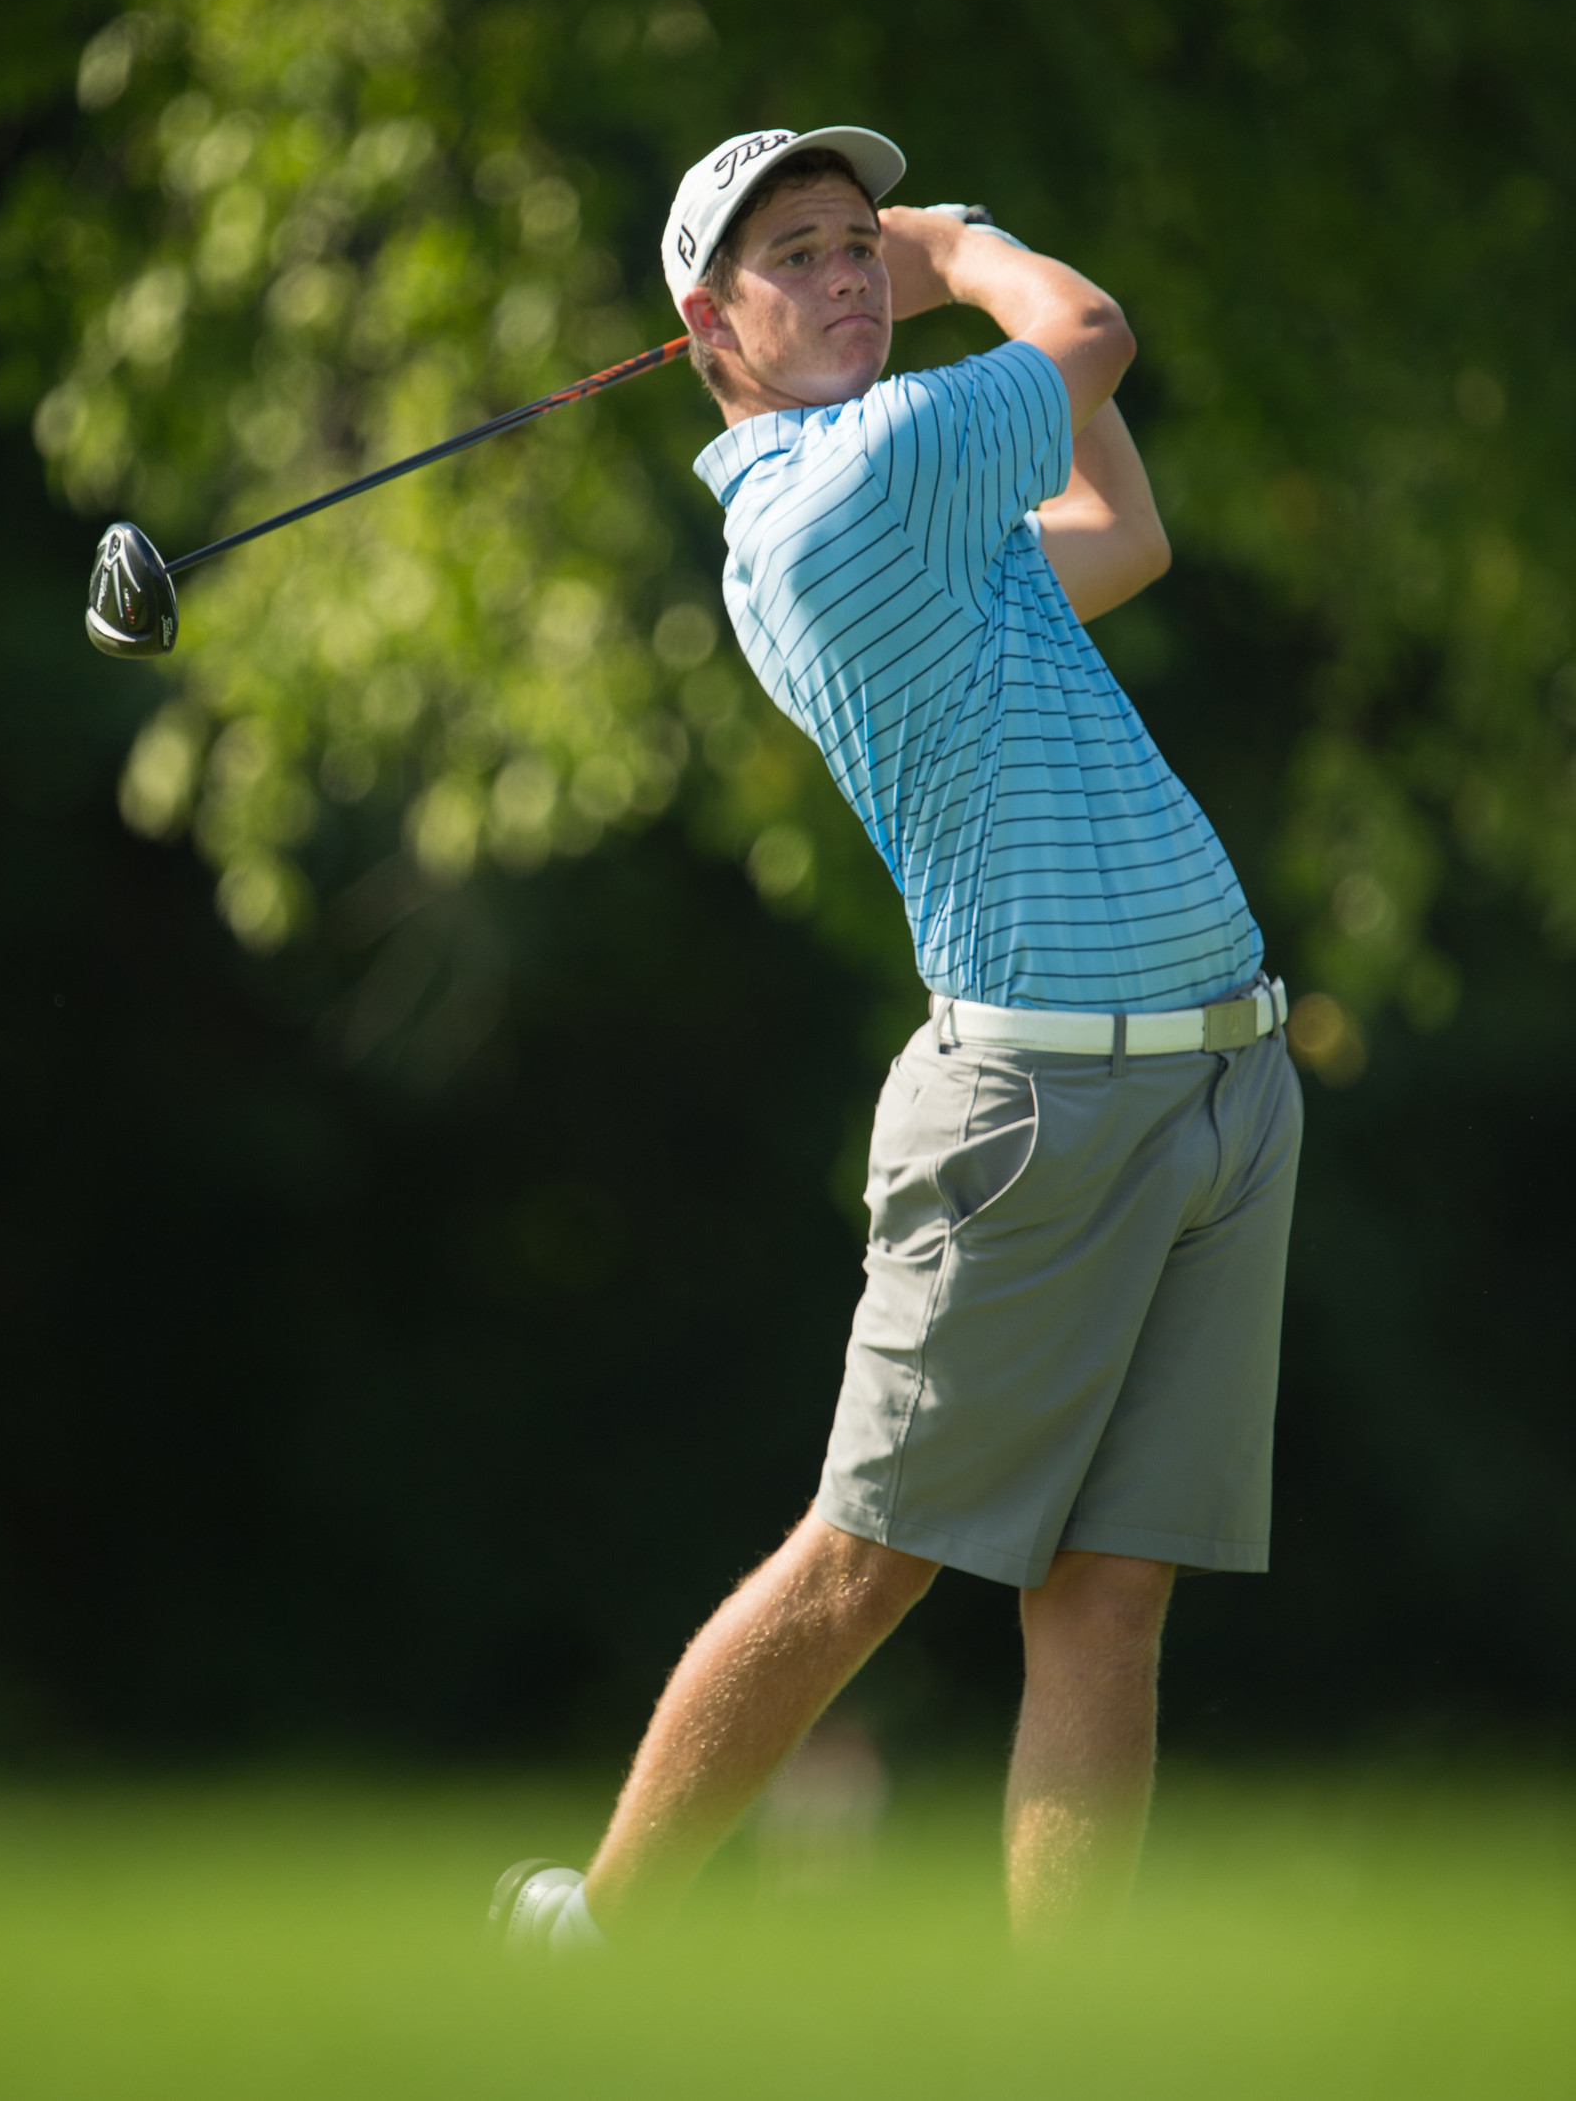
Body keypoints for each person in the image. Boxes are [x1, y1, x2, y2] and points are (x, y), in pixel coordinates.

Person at [489, 125, 1303, 1957]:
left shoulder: (931, 505)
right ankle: (592, 1936)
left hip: (1222, 1083)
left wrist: (931, 272)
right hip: (1037, 1107)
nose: (854, 276)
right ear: (709, 326)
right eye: (803, 258)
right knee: (865, 1560)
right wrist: (966, 240)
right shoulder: (841, 498)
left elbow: (1130, 534)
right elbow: (1088, 327)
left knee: (1108, 1602)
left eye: (863, 243)